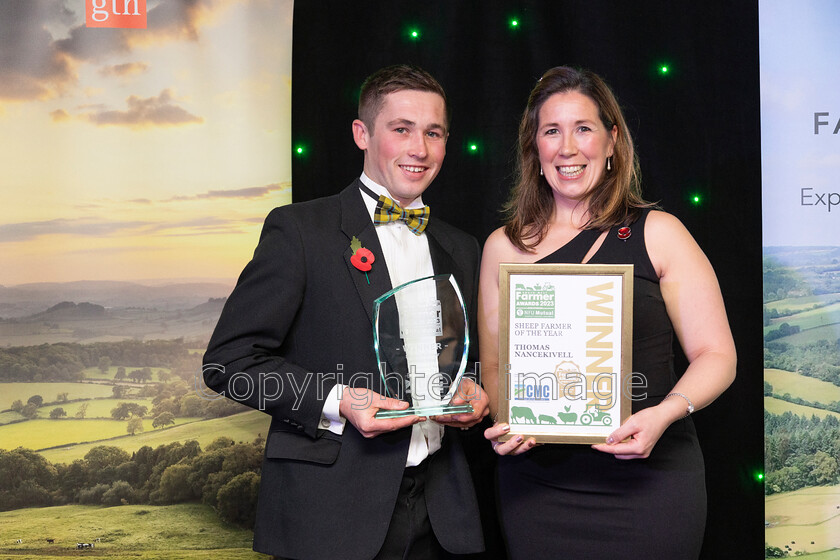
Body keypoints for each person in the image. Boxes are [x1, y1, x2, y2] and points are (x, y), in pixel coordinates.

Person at [203, 65, 489, 560]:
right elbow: (227, 363)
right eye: (401, 129)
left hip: (443, 514)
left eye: (433, 132)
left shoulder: (462, 248)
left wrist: (474, 392)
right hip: (329, 512)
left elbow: (464, 360)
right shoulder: (299, 230)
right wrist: (339, 402)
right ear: (363, 133)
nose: (419, 148)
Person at [479, 66, 737, 559]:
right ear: (535, 148)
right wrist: (509, 421)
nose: (568, 147)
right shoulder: (502, 247)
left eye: (584, 128)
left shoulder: (659, 232)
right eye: (552, 131)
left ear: (612, 140)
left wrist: (664, 414)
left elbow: (717, 355)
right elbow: (494, 368)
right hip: (537, 489)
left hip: (653, 482)